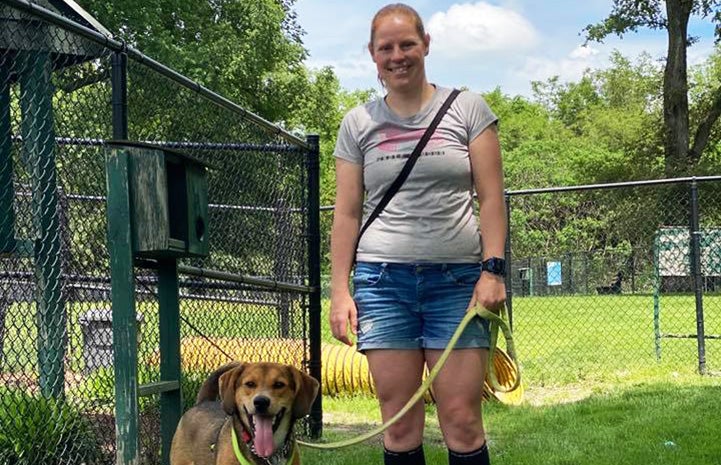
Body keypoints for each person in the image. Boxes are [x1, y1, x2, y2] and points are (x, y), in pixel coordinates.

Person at [329, 3, 507, 465]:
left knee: (461, 419)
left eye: (407, 44)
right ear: (372, 54)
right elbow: (346, 213)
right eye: (385, 47)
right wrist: (340, 291)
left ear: (426, 44)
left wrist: (493, 270)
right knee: (400, 420)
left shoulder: (468, 109)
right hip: (383, 285)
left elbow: (491, 197)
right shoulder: (357, 124)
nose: (397, 55)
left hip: (457, 285)